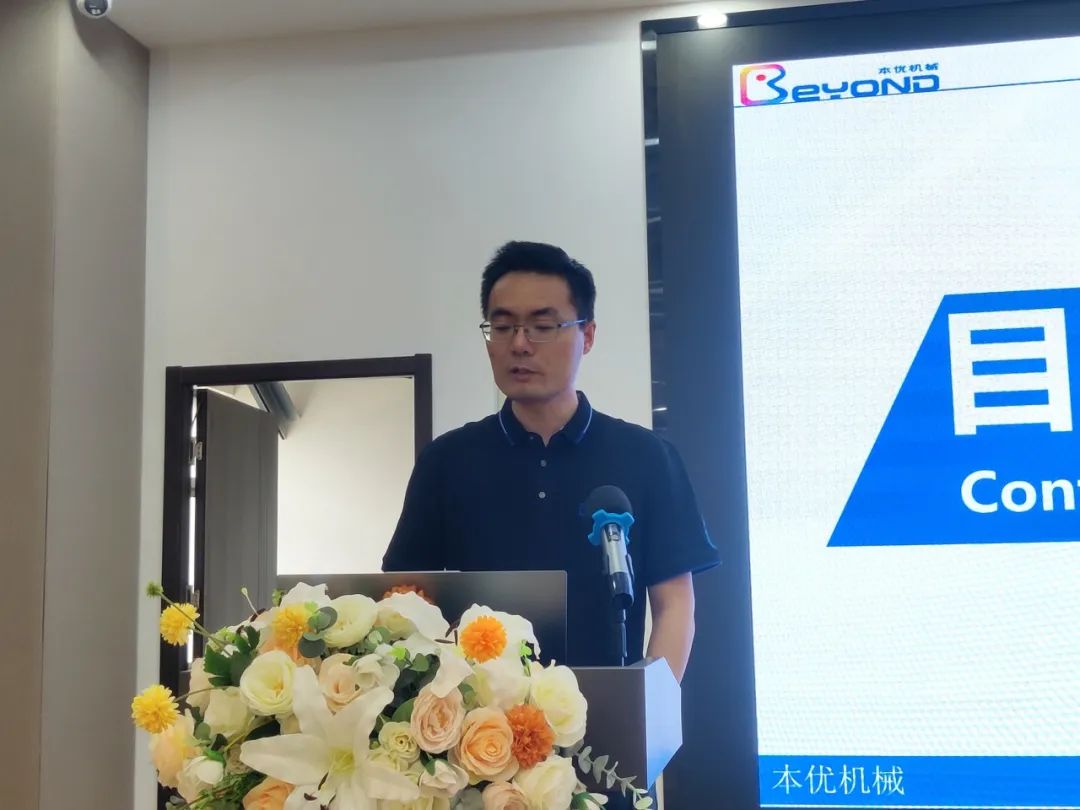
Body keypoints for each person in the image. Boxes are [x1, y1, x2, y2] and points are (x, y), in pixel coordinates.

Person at [382, 240, 719, 681]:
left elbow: (675, 606)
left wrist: (642, 709)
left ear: (588, 335)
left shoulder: (647, 457)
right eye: (502, 327)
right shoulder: (445, 461)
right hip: (477, 718)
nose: (520, 344)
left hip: (607, 718)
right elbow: (405, 601)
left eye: (542, 326)